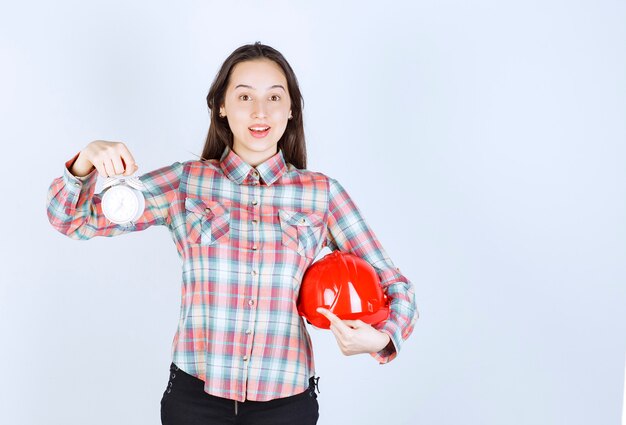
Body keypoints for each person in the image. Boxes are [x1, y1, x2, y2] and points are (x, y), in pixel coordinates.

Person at [46, 42, 418, 425]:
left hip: (286, 405)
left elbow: (398, 287)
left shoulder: (322, 195)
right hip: (195, 401)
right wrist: (86, 159)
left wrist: (382, 338)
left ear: (291, 109)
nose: (260, 112)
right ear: (221, 106)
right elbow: (72, 219)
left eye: (274, 97)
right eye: (244, 96)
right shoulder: (186, 183)